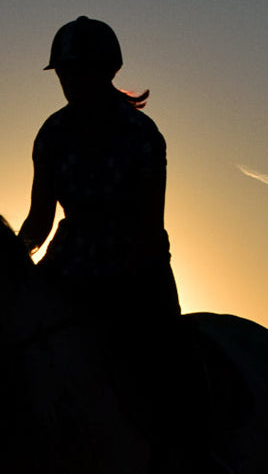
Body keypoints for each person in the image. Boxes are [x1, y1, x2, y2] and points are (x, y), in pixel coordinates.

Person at [19, 17, 181, 340]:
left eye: (79, 72)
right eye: (64, 74)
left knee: (170, 361)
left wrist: (113, 285)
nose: (70, 82)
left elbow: (149, 228)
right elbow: (39, 221)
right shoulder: (51, 136)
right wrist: (10, 263)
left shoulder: (143, 136)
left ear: (106, 71)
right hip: (65, 268)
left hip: (137, 275)